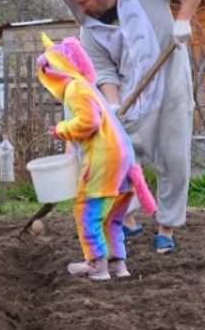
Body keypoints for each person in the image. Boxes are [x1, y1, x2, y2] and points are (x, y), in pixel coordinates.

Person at [59, 0, 205, 254]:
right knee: (118, 157)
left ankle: (167, 228)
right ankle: (129, 217)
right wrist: (113, 105)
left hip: (170, 90)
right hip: (130, 94)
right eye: (77, 5)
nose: (83, 9)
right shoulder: (89, 29)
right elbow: (103, 71)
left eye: (84, 1)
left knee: (173, 160)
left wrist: (183, 20)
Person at [37, 33, 156, 280]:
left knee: (87, 210)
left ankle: (96, 265)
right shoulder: (89, 88)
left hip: (106, 162)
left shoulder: (75, 88)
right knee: (112, 218)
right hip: (124, 160)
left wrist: (61, 130)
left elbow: (88, 122)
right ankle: (118, 265)